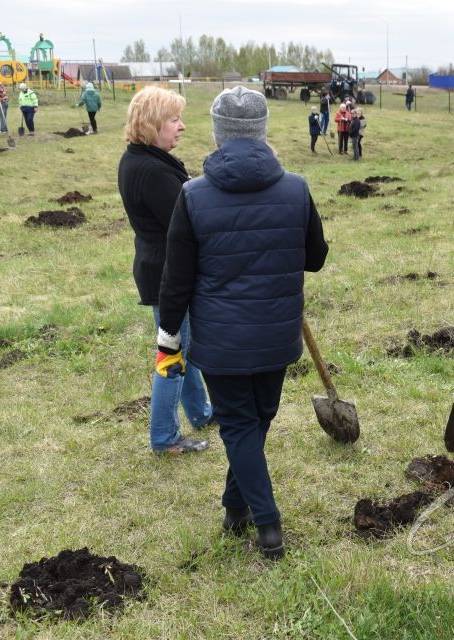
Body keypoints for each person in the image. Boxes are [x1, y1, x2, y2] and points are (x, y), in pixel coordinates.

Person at [155, 86, 329, 558]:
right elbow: (317, 257)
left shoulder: (193, 196)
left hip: (221, 341)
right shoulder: (295, 187)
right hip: (276, 336)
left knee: (241, 425)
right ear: (263, 129)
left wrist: (167, 336)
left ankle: (266, 524)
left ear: (217, 134)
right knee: (252, 422)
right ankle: (236, 511)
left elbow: (176, 281)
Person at [118, 86, 213, 456]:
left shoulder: (142, 159)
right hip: (168, 277)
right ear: (153, 124)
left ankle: (201, 413)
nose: (182, 126)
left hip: (159, 270)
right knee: (171, 353)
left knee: (181, 346)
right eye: (174, 119)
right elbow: (187, 225)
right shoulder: (152, 171)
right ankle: (164, 437)